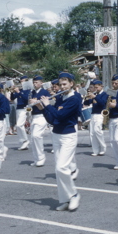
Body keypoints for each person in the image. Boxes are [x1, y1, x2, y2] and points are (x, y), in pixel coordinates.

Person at [39, 72, 81, 211]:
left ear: (71, 84)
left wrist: (48, 105)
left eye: (64, 84)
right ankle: (65, 199)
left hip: (68, 136)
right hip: (56, 135)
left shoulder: (75, 98)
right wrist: (42, 108)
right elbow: (53, 120)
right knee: (59, 171)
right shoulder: (61, 98)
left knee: (61, 167)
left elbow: (60, 115)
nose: (61, 87)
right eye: (60, 85)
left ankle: (74, 194)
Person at [28, 75, 50, 166]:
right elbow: (29, 105)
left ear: (41, 83)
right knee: (33, 138)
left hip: (42, 115)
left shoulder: (45, 92)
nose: (34, 84)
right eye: (34, 82)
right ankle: (36, 158)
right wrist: (28, 111)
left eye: (36, 82)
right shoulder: (32, 92)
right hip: (34, 116)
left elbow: (47, 104)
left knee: (37, 136)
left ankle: (41, 157)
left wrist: (36, 102)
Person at [83, 80, 108, 156]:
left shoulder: (104, 94)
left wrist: (95, 97)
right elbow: (86, 103)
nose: (96, 89)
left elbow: (102, 104)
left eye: (97, 87)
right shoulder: (94, 94)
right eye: (95, 87)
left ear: (101, 86)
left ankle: (103, 147)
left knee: (98, 131)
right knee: (92, 133)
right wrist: (87, 98)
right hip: (93, 114)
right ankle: (95, 150)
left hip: (100, 114)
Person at [11, 76, 30, 150]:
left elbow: (26, 99)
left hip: (26, 108)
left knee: (19, 125)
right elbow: (12, 98)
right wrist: (13, 92)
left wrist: (19, 92)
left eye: (23, 81)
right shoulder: (20, 89)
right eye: (21, 81)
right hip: (18, 108)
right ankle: (24, 141)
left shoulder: (28, 90)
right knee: (19, 125)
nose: (22, 83)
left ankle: (26, 140)